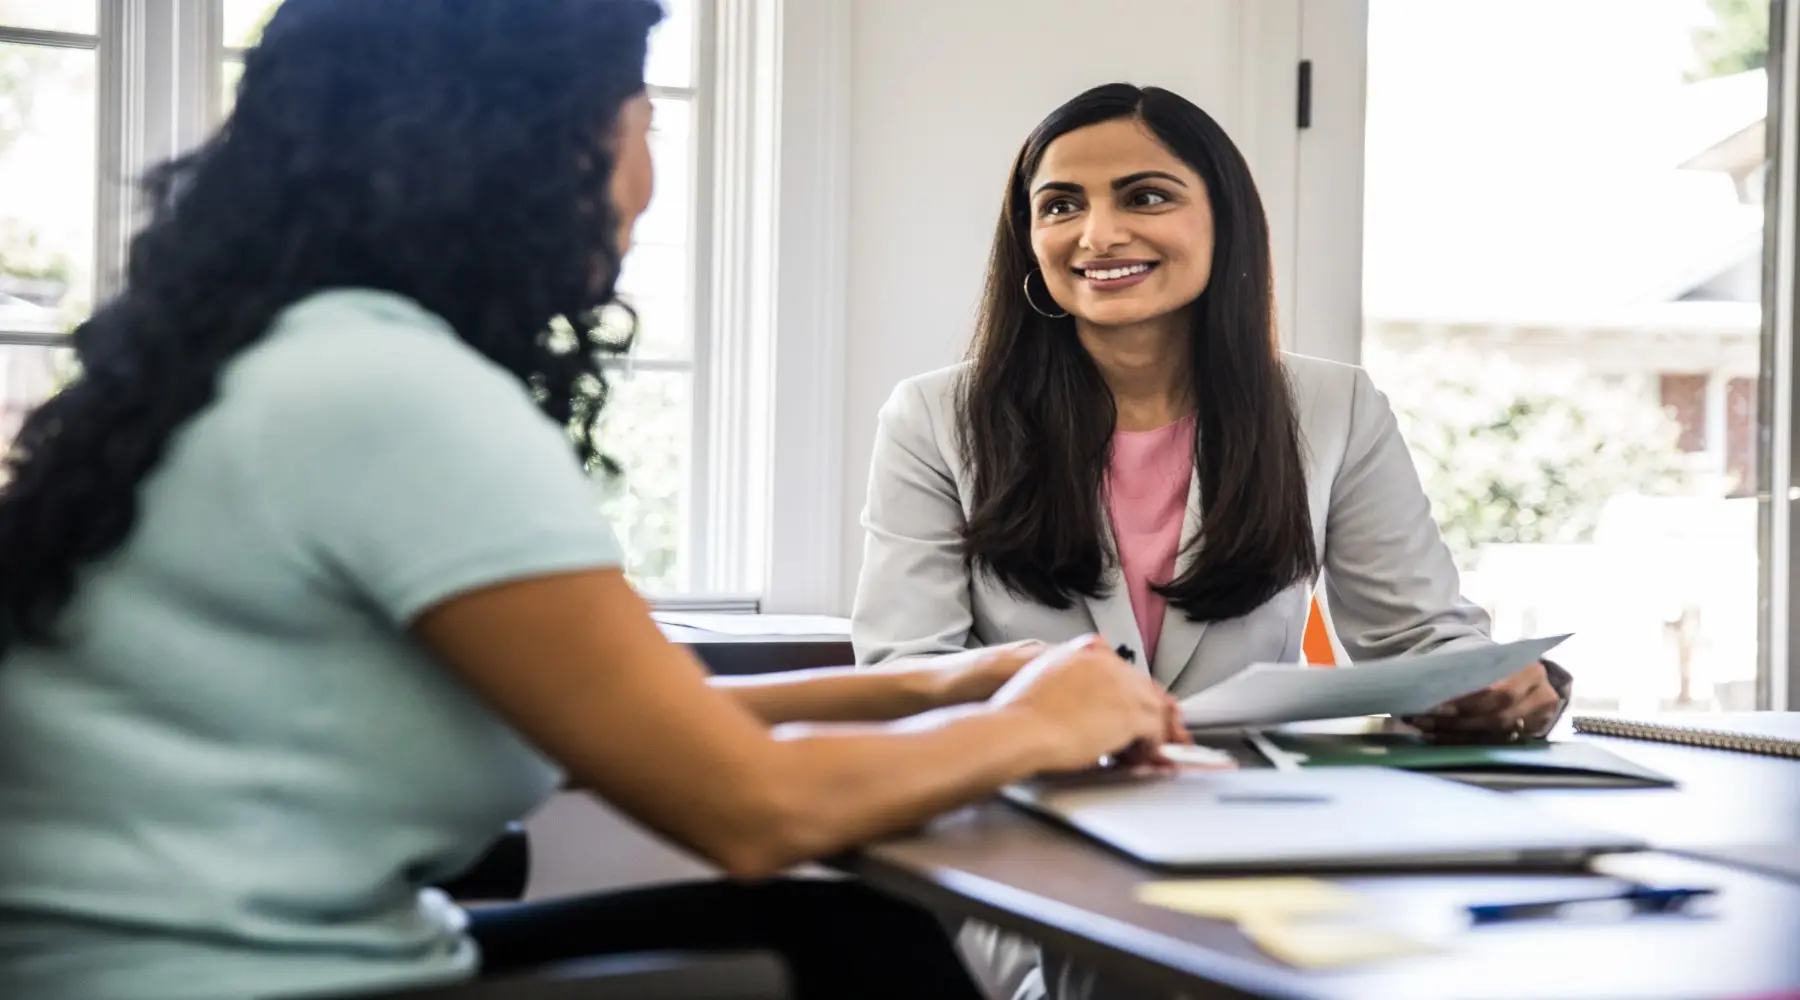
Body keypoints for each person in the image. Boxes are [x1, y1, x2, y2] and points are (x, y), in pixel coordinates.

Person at [0, 6, 1190, 999]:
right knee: (859, 953)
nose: (648, 177)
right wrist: (1045, 717)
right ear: (533, 145)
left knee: (851, 943)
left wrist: (952, 682)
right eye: (641, 125)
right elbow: (750, 808)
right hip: (239, 980)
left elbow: (629, 704)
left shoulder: (282, 357)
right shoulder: (392, 394)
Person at [849, 82, 1574, 1000]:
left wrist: (1491, 685)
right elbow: (904, 673)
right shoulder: (934, 418)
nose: (1097, 234)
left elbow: (1421, 638)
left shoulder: (1332, 407)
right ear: (1027, 241)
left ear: (1224, 222)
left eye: (1145, 196)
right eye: (1061, 205)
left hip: (1262, 845)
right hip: (1031, 846)